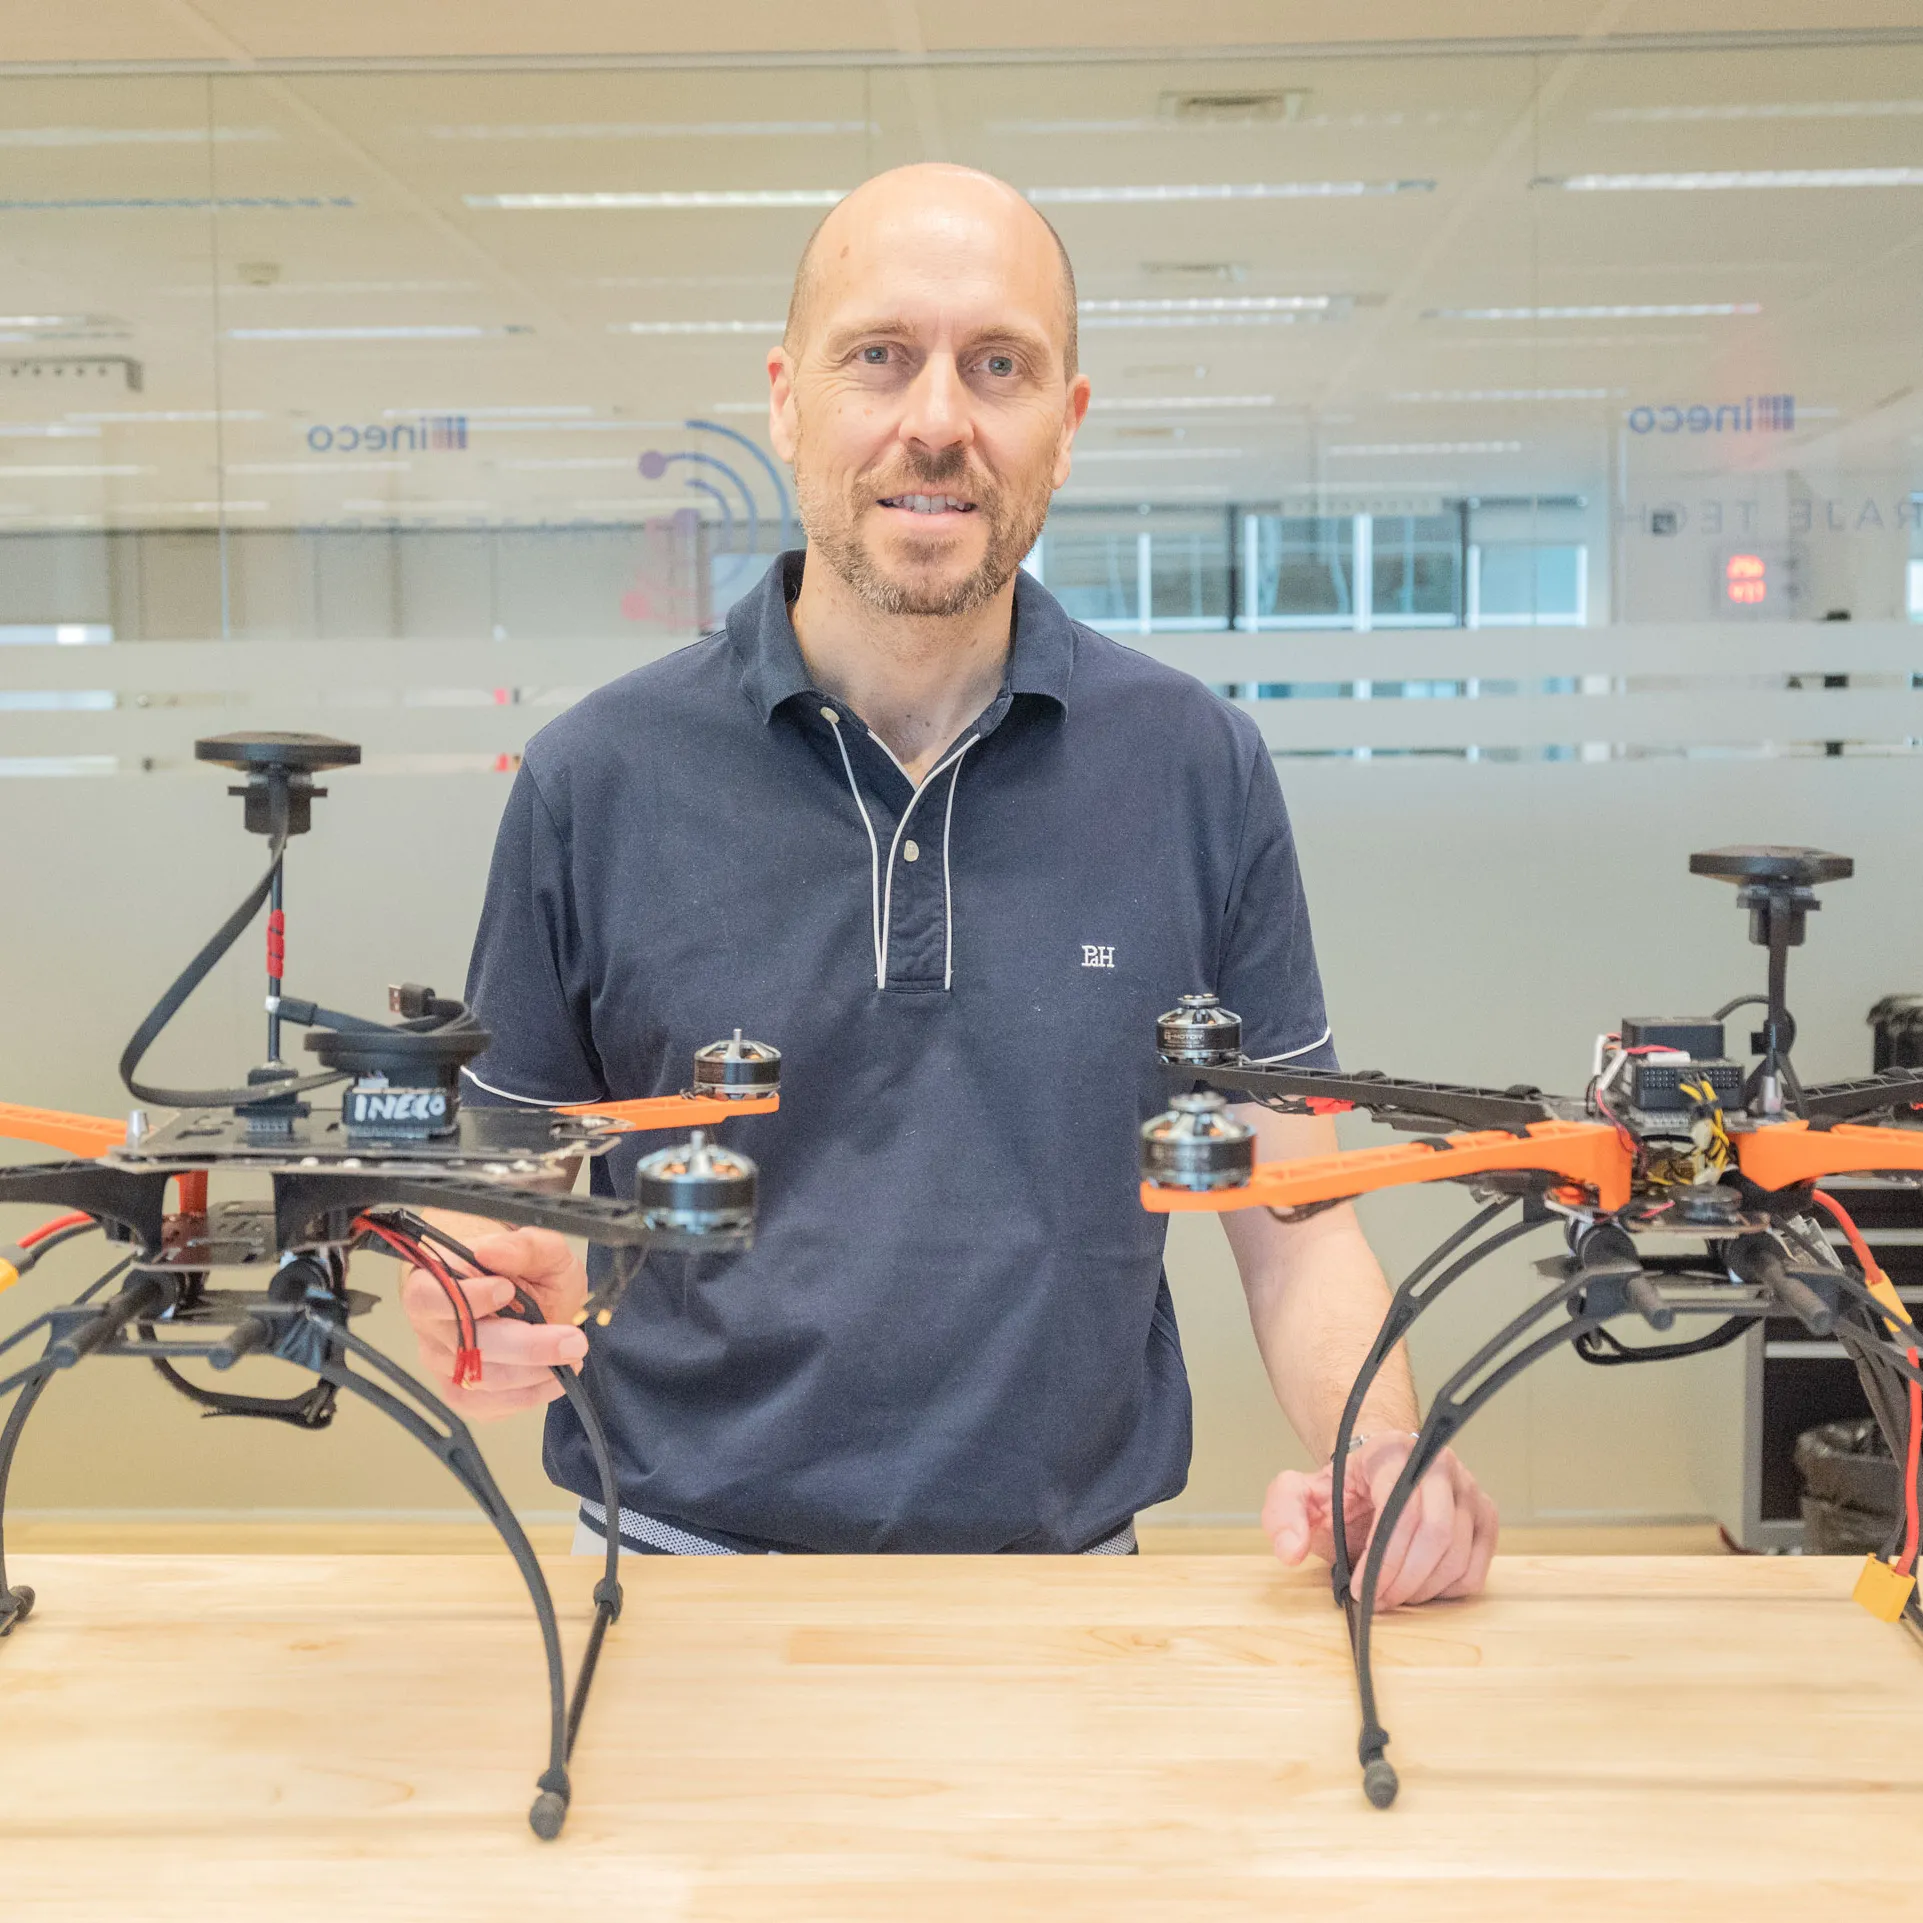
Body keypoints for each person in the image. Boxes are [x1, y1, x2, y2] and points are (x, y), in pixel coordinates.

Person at [399, 163, 1496, 1605]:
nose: (936, 419)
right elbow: (510, 1202)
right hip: (673, 1595)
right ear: (787, 402)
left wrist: (1386, 1450)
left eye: (998, 365)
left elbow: (1296, 1220)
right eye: (880, 357)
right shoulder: (593, 778)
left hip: (1070, 1601)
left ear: (1065, 422)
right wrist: (482, 1305)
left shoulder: (1193, 767)